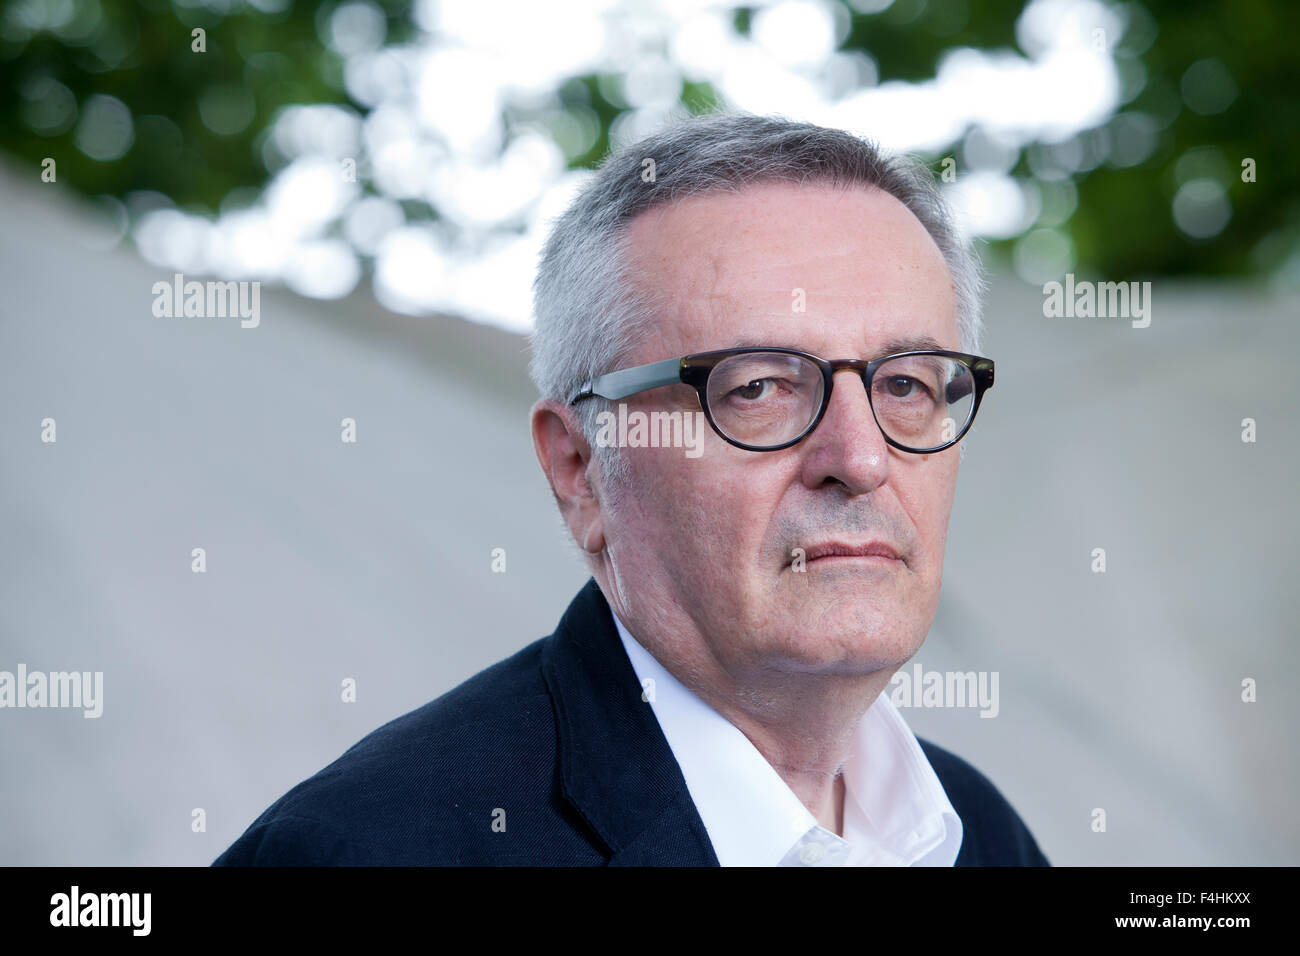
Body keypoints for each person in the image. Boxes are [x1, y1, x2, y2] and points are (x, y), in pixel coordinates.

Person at [214, 113, 1048, 866]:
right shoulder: (367, 853)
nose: (860, 459)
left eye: (905, 386)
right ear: (579, 468)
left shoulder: (984, 836)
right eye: (756, 388)